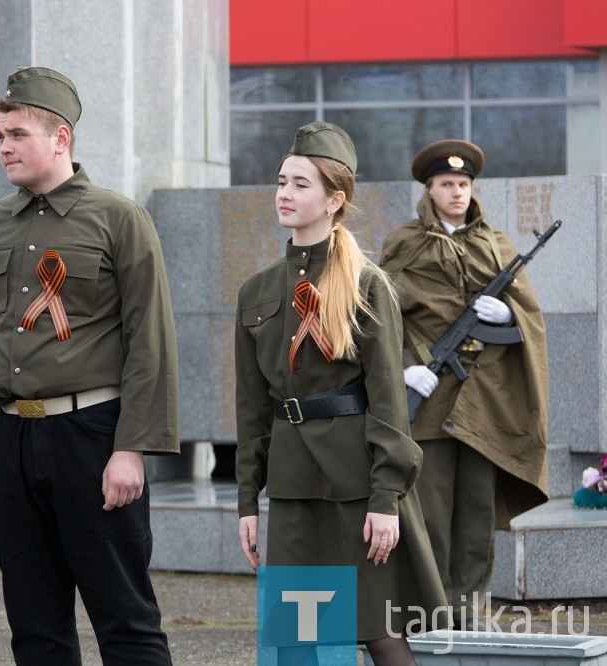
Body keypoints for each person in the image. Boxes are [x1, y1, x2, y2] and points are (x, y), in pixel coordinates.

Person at [0, 66, 178, 665]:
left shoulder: (118, 218)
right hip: (2, 437)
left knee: (124, 618)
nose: (4, 148)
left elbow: (150, 338)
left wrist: (132, 448)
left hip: (90, 437)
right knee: (34, 623)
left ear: (61, 136)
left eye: (16, 134)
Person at [235, 122, 447, 665]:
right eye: (282, 181)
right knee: (301, 642)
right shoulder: (256, 291)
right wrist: (246, 503)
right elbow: (251, 409)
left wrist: (385, 500)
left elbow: (388, 403)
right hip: (292, 490)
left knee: (378, 630)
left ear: (335, 199)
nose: (284, 193)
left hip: (357, 484)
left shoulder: (366, 284)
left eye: (301, 184)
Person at [380, 140, 549, 623]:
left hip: (485, 402)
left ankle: (470, 618)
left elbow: (530, 319)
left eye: (464, 184)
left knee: (476, 520)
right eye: (447, 184)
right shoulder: (404, 242)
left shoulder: (497, 245)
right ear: (429, 189)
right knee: (429, 517)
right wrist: (406, 364)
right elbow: (380, 315)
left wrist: (509, 310)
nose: (457, 192)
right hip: (428, 401)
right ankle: (428, 619)